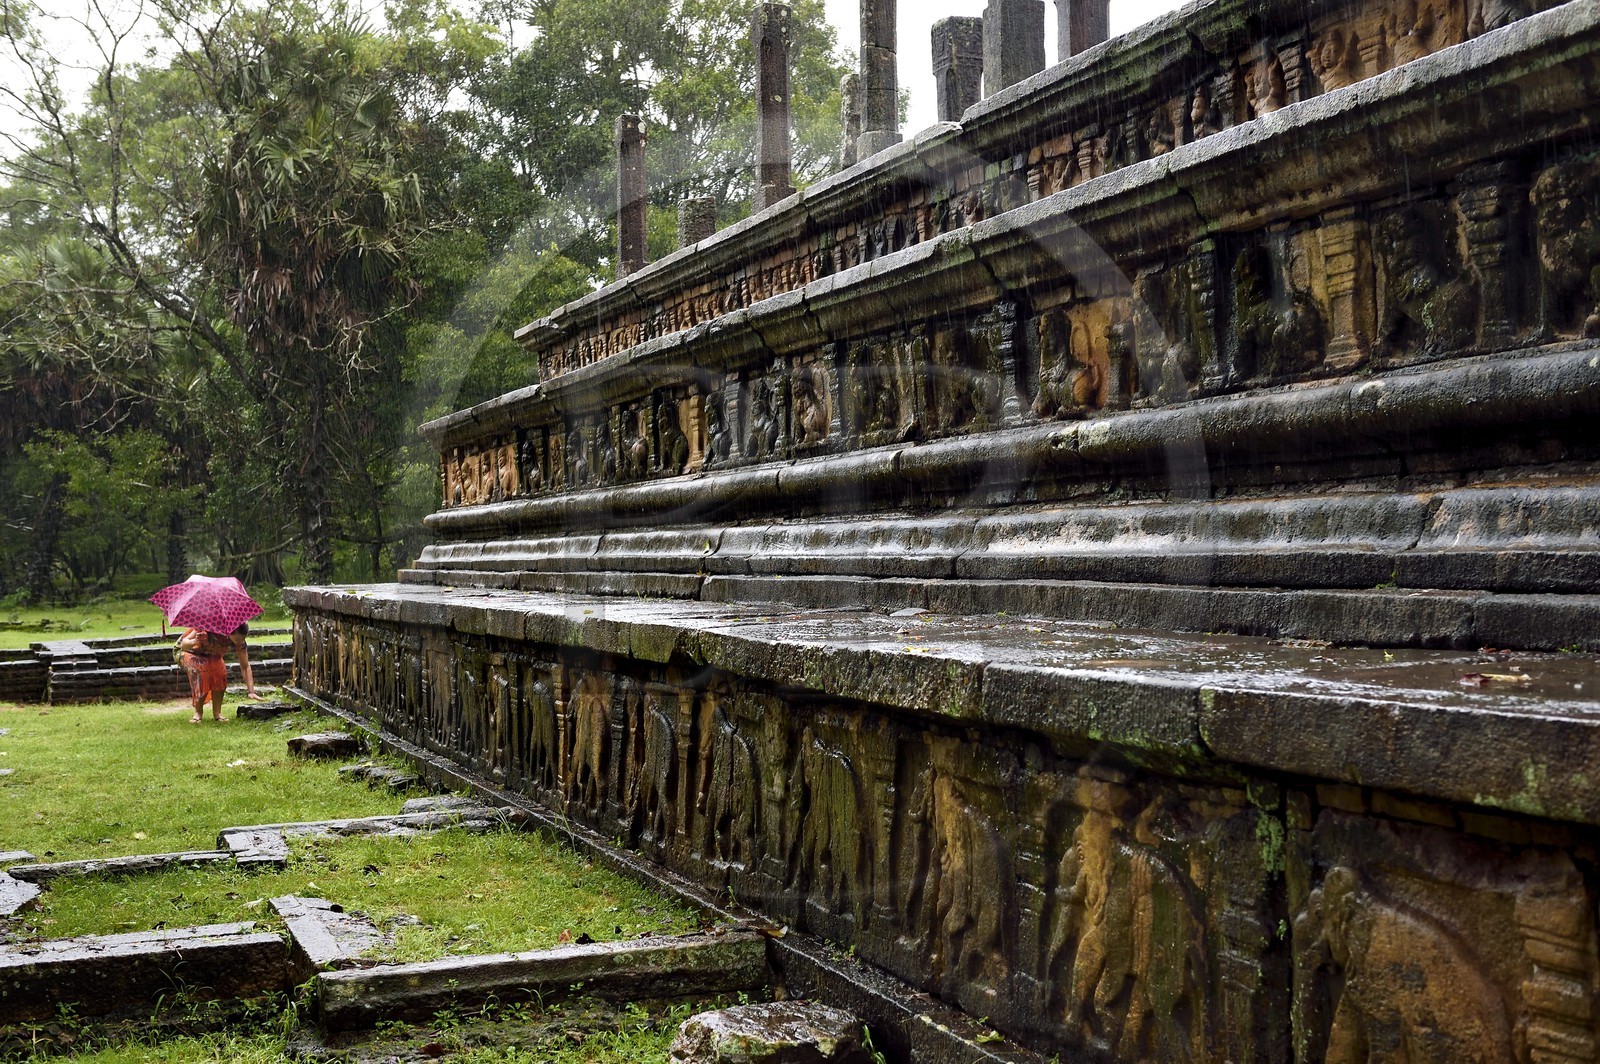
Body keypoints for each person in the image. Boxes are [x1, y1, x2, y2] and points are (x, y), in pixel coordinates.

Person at [176, 623, 261, 723]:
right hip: (188, 652)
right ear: (229, 632)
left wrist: (251, 691)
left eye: (242, 639)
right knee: (203, 670)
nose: (240, 642)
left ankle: (217, 713)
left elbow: (245, 666)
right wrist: (196, 640)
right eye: (238, 639)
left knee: (220, 673)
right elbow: (183, 644)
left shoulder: (240, 643)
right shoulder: (207, 627)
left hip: (211, 656)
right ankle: (198, 712)